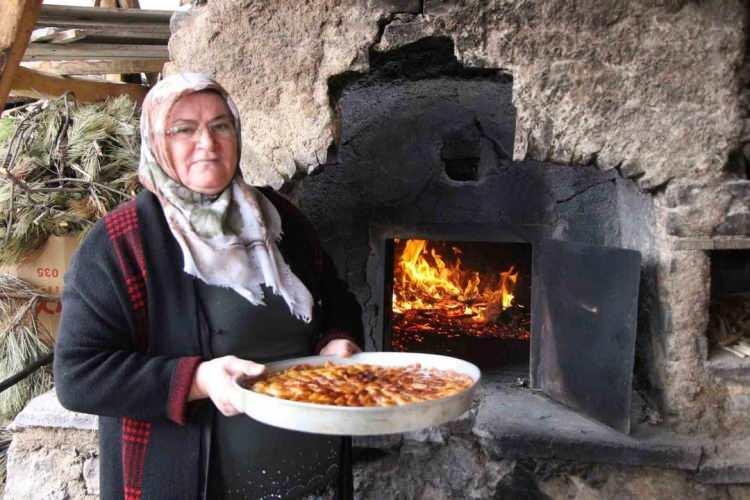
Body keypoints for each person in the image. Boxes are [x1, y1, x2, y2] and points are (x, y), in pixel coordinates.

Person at [53, 73, 363, 500]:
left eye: (221, 125)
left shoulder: (279, 219)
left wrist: (337, 340)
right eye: (184, 129)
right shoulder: (123, 242)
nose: (208, 143)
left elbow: (338, 301)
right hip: (191, 483)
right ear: (155, 142)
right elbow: (78, 375)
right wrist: (197, 380)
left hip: (311, 474)